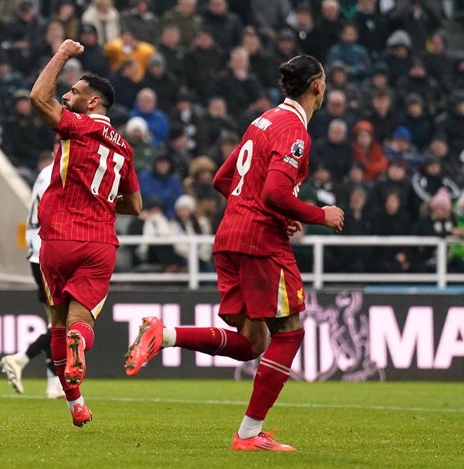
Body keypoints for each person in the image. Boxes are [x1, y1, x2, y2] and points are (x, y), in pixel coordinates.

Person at [125, 55, 344, 451]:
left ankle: (165, 334)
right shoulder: (294, 130)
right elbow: (274, 192)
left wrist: (264, 211)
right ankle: (248, 435)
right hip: (260, 242)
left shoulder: (262, 121)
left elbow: (223, 179)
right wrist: (318, 215)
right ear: (317, 86)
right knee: (290, 332)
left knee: (252, 342)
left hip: (229, 237)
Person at [29, 39, 142, 427]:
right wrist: (102, 200)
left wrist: (61, 53)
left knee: (58, 323)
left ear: (93, 102)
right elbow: (136, 205)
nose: (66, 94)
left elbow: (38, 98)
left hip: (58, 238)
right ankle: (76, 401)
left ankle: (75, 401)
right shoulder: (125, 148)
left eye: (74, 91)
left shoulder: (76, 126)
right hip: (100, 244)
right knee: (82, 322)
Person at [0, 148, 64, 400]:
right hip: (47, 252)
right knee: (65, 319)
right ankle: (20, 358)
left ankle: (52, 382)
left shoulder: (44, 173)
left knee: (56, 320)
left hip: (37, 252)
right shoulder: (58, 173)